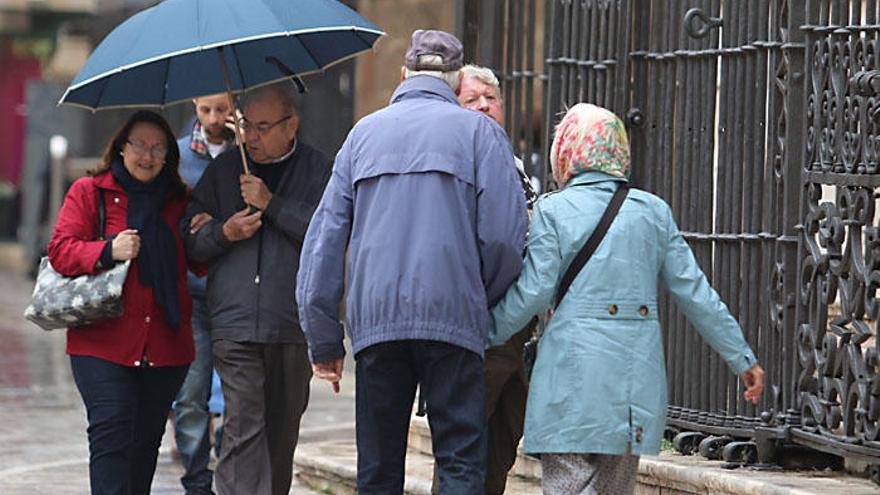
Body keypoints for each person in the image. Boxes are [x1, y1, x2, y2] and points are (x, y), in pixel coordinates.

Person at [488, 103, 765, 494]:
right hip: (632, 383)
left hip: (569, 378)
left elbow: (532, 293)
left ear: (567, 151)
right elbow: (695, 292)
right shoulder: (652, 212)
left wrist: (484, 333)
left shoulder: (553, 210)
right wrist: (742, 358)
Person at [296, 30, 528, 494]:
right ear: (457, 78)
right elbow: (505, 237)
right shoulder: (480, 133)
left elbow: (323, 241)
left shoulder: (362, 134)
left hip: (378, 322)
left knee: (378, 467)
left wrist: (323, 339)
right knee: (461, 460)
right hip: (454, 317)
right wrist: (478, 298)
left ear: (404, 74)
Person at [183, 82, 332, 495]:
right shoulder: (226, 169)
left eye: (264, 127)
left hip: (291, 321)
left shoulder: (319, 170)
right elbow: (191, 238)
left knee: (280, 437)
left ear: (292, 125)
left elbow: (328, 234)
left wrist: (273, 205)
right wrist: (224, 231)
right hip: (234, 322)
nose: (251, 136)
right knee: (243, 427)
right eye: (247, 125)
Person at [47, 110, 197, 495]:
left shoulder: (181, 202)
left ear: (169, 154)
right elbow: (61, 251)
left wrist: (218, 229)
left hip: (165, 346)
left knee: (144, 445)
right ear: (121, 147)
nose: (147, 156)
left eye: (158, 147)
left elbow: (200, 260)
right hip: (101, 343)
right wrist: (108, 249)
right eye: (140, 146)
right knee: (111, 433)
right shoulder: (90, 192)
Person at [444, 63, 538, 495]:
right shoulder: (455, 163)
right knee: (462, 456)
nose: (484, 105)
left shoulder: (515, 162)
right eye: (471, 99)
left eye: (491, 98)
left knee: (499, 454)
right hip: (478, 329)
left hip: (521, 333)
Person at [173, 92, 234, 495]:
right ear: (194, 106)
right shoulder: (177, 156)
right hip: (192, 291)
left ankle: (228, 467)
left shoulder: (247, 151)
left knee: (236, 392)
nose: (213, 118)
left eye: (222, 109)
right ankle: (197, 479)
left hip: (234, 288)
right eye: (205, 110)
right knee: (191, 394)